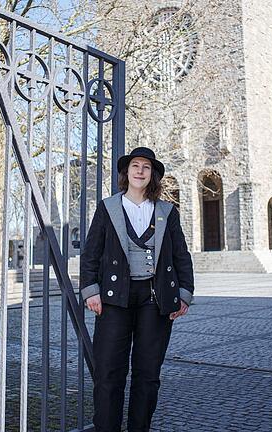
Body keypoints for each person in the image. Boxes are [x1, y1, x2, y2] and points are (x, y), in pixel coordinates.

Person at [80, 146, 195, 432]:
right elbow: (91, 253)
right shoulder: (108, 208)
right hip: (114, 299)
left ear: (152, 175)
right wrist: (90, 290)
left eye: (146, 167)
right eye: (135, 166)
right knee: (108, 372)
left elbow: (181, 254)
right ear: (127, 172)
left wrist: (184, 293)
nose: (140, 171)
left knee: (148, 374)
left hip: (155, 300)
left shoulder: (167, 212)